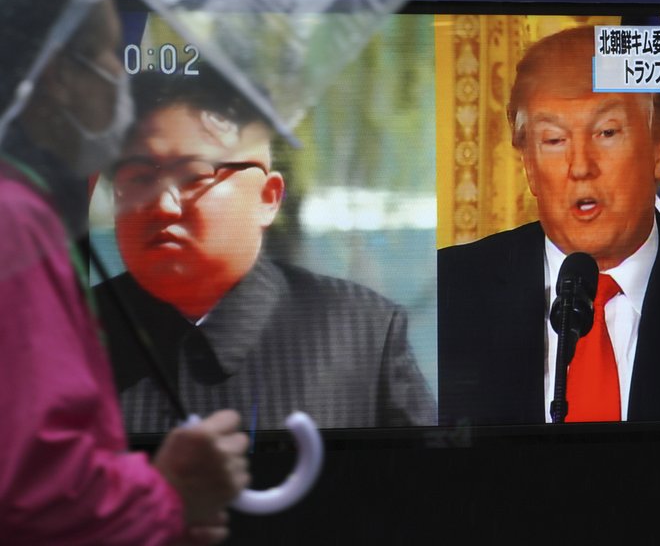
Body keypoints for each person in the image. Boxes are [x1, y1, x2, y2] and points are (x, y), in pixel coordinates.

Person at [0, 0, 250, 543]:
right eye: (113, 52)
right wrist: (166, 497)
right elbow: (36, 490)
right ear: (59, 77)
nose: (124, 76)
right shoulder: (17, 225)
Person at [438, 25, 660, 425]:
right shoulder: (449, 291)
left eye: (606, 132)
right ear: (528, 166)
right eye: (554, 140)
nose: (580, 166)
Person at [93, 69, 437, 433]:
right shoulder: (67, 334)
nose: (163, 204)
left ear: (267, 197)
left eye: (193, 176)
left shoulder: (360, 333)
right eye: (138, 178)